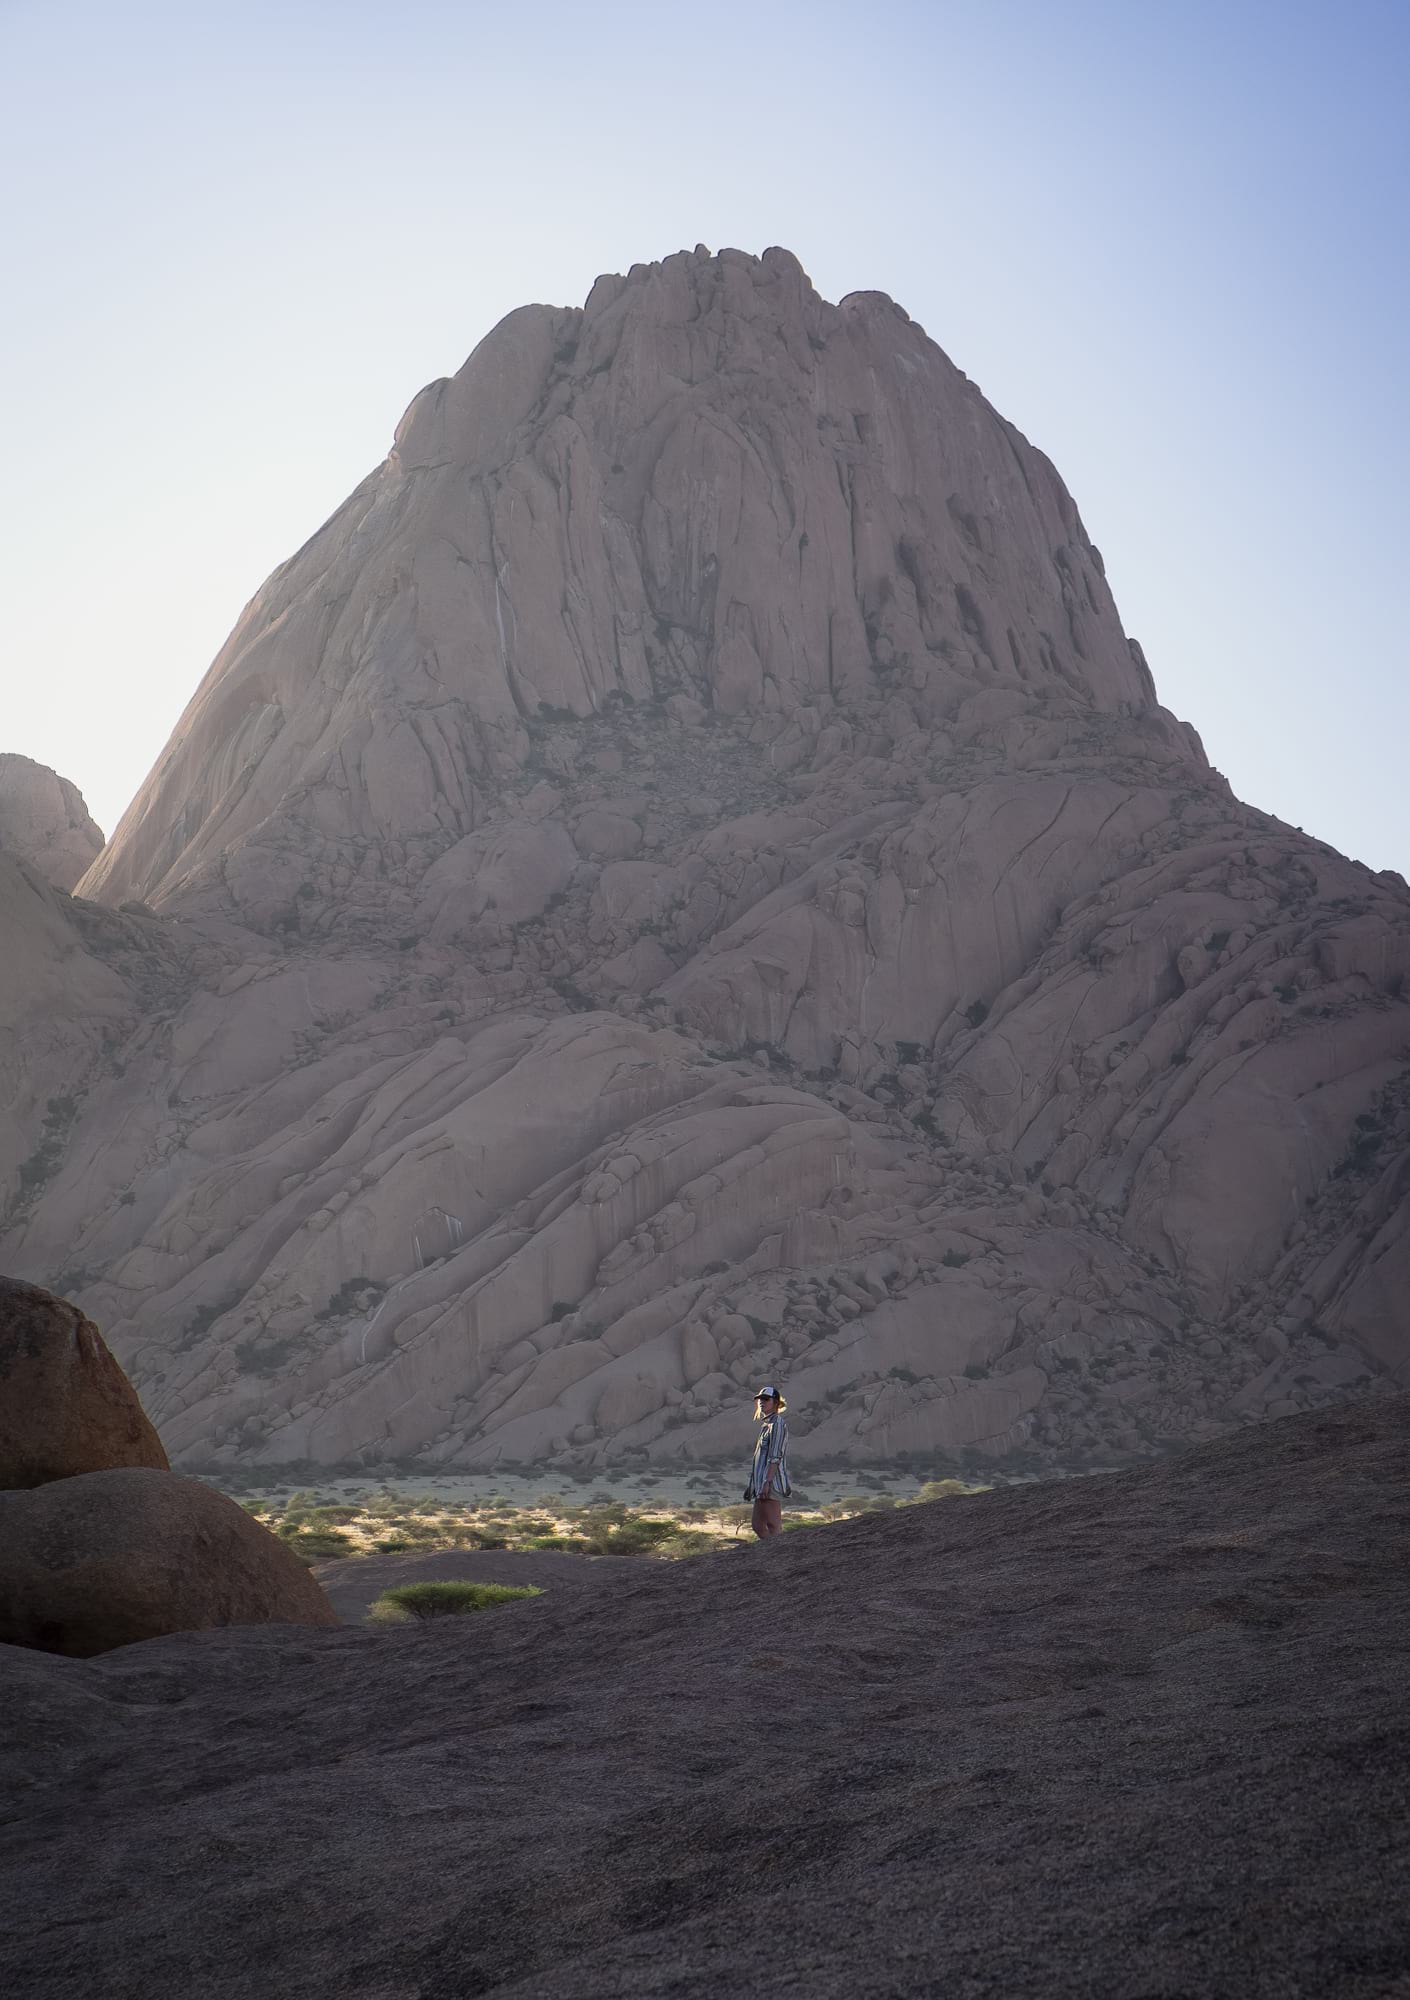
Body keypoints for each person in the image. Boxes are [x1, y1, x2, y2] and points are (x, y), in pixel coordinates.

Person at [745, 1383, 790, 1537]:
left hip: (771, 1482)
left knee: (773, 1525)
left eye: (766, 1399)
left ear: (776, 1403)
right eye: (760, 1399)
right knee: (757, 1525)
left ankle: (780, 1556)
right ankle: (770, 1554)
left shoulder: (777, 1424)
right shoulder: (767, 1425)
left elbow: (775, 1457)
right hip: (761, 1484)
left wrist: (767, 1482)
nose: (761, 1402)